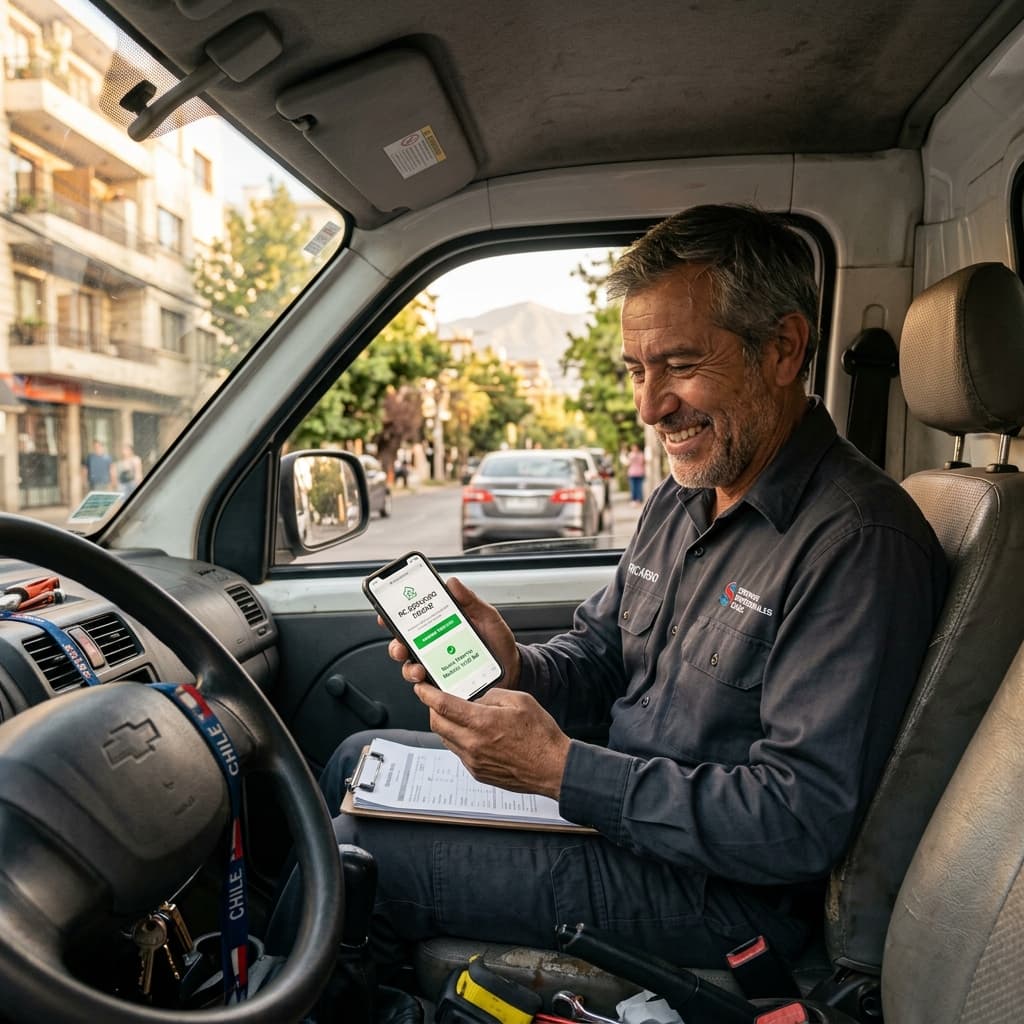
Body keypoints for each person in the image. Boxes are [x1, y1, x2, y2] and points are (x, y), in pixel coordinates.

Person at [266, 204, 947, 980]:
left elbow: (797, 819)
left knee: (365, 854)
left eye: (682, 365)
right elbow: (601, 653)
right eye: (637, 369)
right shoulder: (688, 493)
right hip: (622, 817)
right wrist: (516, 668)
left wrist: (563, 772)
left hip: (725, 896)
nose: (649, 405)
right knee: (360, 757)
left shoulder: (858, 542)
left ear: (783, 350)